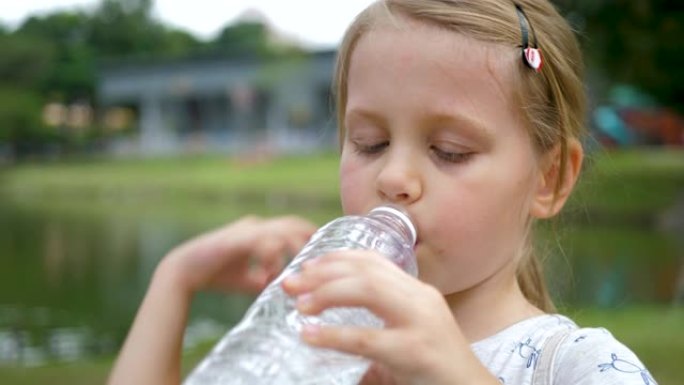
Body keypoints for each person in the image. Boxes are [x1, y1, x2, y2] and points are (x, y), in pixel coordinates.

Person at [108, 1, 657, 384]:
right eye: (370, 143)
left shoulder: (576, 365)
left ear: (550, 178)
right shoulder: (324, 340)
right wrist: (175, 279)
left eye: (450, 151)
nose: (393, 178)